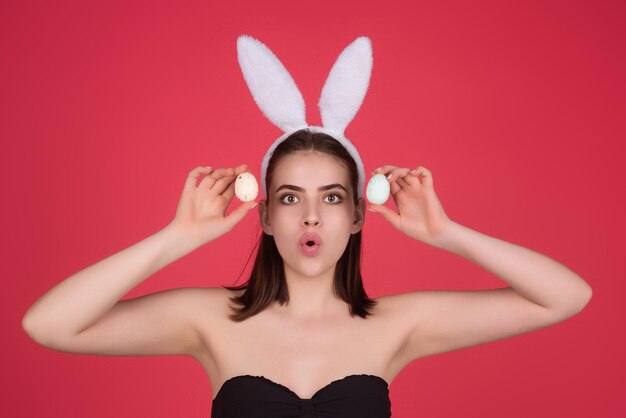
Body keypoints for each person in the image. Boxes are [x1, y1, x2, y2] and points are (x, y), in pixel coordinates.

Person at [23, 33, 593, 417]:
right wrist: (176, 238)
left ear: (357, 215)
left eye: (333, 197)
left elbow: (565, 297)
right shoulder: (208, 319)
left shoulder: (399, 325)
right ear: (266, 216)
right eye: (291, 197)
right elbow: (49, 325)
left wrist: (448, 234)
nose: (312, 215)